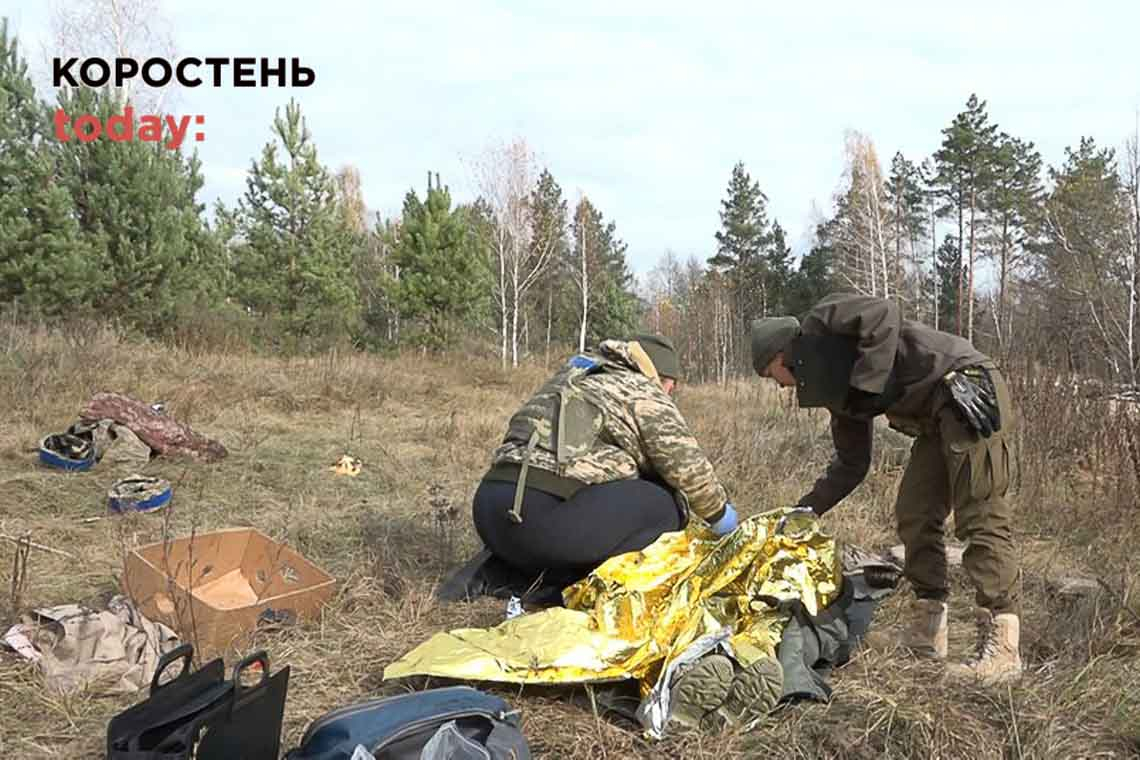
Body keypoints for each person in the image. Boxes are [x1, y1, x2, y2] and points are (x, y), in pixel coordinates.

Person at [750, 293, 1022, 685]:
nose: (777, 386)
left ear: (779, 356)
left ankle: (1003, 649)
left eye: (769, 375)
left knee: (980, 511)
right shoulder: (832, 386)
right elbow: (851, 464)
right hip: (933, 419)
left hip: (965, 387)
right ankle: (927, 634)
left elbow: (882, 313)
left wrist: (865, 385)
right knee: (915, 514)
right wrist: (804, 511)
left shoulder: (823, 322)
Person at [472, 334, 738, 587]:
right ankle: (577, 584)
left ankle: (509, 569)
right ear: (663, 377)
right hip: (538, 522)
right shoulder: (643, 388)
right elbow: (686, 468)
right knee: (667, 505)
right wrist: (721, 516)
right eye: (671, 387)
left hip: (490, 511)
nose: (670, 394)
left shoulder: (578, 375)